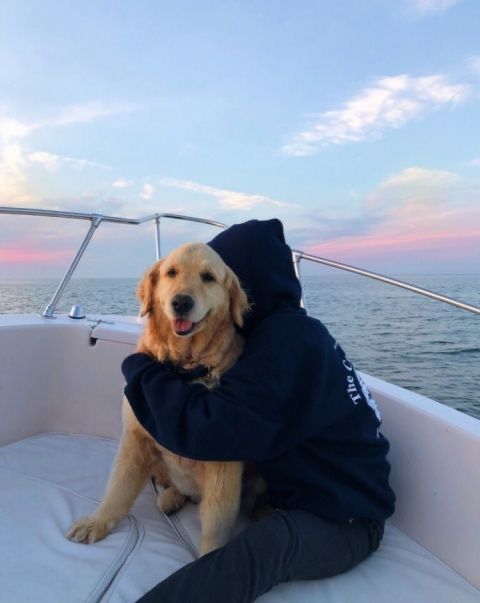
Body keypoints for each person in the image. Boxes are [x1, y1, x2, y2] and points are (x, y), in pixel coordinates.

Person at [121, 219, 395, 603]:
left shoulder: (287, 344)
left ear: (243, 284)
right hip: (310, 491)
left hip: (343, 519)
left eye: (211, 278)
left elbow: (209, 433)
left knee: (248, 558)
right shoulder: (290, 331)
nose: (196, 291)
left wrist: (140, 370)